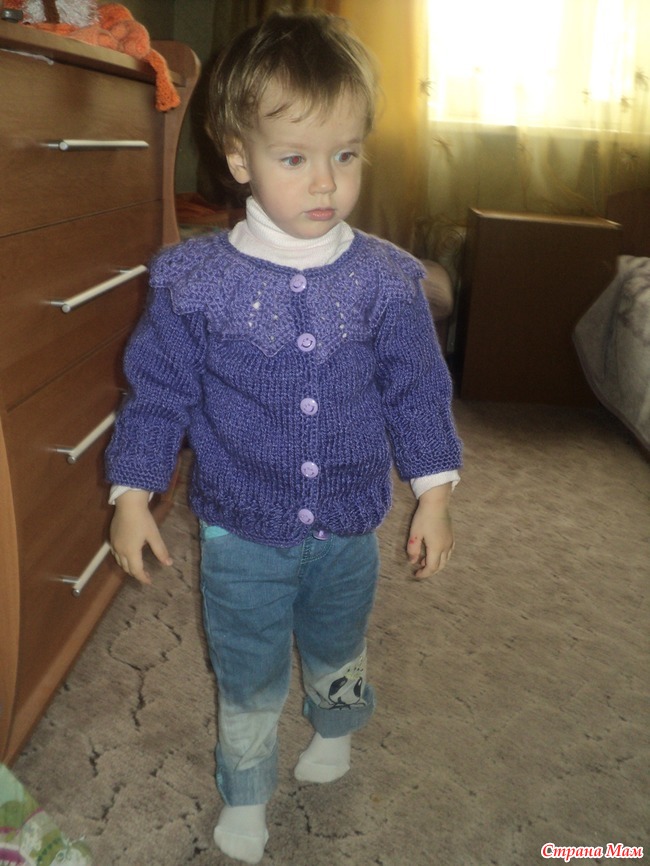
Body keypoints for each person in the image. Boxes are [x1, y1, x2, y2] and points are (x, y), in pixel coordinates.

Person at [105, 9, 462, 864]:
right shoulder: (192, 282)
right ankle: (247, 790)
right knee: (248, 668)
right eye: (295, 158)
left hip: (349, 525)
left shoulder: (387, 280)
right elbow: (158, 395)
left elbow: (417, 390)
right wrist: (131, 493)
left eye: (347, 155)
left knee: (339, 644)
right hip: (239, 531)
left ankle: (336, 727)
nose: (326, 183)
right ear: (239, 158)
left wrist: (434, 492)